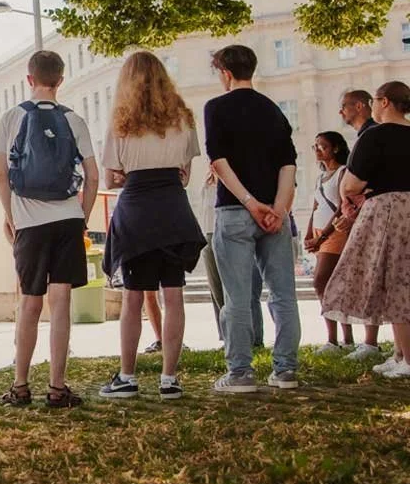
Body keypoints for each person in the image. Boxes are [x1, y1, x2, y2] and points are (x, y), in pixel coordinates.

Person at [99, 51, 205, 402]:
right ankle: (169, 379)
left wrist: (130, 172)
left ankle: (127, 377)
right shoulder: (183, 118)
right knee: (173, 295)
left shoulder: (120, 122)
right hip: (173, 207)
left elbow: (112, 179)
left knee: (132, 298)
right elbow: (185, 176)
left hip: (137, 211)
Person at [0, 50, 98, 408]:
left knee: (29, 304)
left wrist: (12, 218)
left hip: (30, 223)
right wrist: (81, 218)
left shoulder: (11, 118)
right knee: (62, 302)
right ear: (61, 80)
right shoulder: (75, 120)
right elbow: (93, 176)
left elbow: (2, 176)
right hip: (67, 218)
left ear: (29, 79)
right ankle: (57, 388)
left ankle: (21, 386)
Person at [205, 45, 300, 393]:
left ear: (225, 72)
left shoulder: (216, 107)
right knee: (283, 295)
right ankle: (286, 370)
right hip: (274, 215)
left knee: (238, 297)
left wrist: (249, 202)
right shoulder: (273, 109)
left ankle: (240, 373)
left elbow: (219, 161)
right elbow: (288, 164)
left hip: (234, 211)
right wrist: (277, 208)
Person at [323, 81, 410, 378]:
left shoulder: (376, 135)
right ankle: (399, 354)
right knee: (401, 276)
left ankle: (407, 359)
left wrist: (351, 192)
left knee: (393, 278)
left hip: (387, 208)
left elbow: (352, 182)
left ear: (384, 102)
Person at [338, 89, 382, 361]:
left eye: (344, 106)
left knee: (374, 275)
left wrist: (350, 198)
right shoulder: (366, 135)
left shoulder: (372, 135)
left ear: (359, 106)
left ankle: (371, 342)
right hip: (365, 210)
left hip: (373, 211)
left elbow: (361, 180)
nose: (341, 112)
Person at [303, 131, 354, 353]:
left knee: (321, 281)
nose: (317, 150)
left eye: (321, 146)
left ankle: (338, 339)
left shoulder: (342, 173)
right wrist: (308, 234)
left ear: (335, 148)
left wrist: (322, 235)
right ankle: (337, 338)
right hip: (318, 232)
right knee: (329, 286)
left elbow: (341, 207)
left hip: (334, 234)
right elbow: (316, 207)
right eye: (315, 146)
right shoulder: (319, 177)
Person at [201, 169, 264, 347]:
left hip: (229, 233)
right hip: (208, 235)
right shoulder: (208, 181)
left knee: (242, 290)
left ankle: (253, 338)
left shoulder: (234, 179)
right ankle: (227, 337)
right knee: (217, 292)